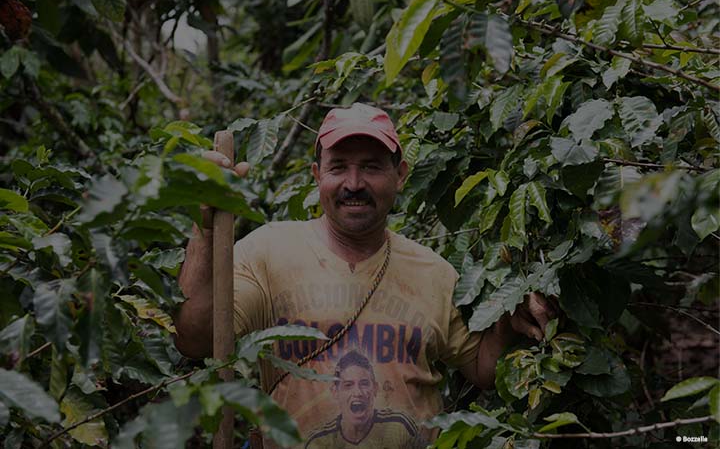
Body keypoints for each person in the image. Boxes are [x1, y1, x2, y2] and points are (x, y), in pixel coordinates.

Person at [174, 103, 556, 448]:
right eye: (338, 166)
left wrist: (511, 315)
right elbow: (195, 339)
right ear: (316, 175)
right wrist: (205, 229)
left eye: (371, 167)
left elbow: (482, 368)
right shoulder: (267, 253)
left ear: (400, 175)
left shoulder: (435, 272)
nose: (353, 184)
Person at [304, 350, 426, 449]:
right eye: (348, 385)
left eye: (364, 383)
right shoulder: (319, 442)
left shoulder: (400, 426)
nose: (358, 393)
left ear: (375, 389)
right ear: (335, 392)